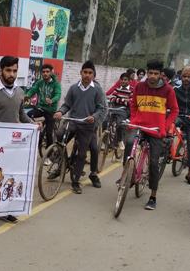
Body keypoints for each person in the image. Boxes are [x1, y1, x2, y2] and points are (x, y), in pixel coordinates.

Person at [0, 55, 33, 225]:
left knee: (10, 177)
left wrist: (33, 124)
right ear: (0, 71)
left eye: (14, 71)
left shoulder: (20, 92)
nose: (12, 74)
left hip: (13, 146)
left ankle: (5, 209)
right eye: (8, 70)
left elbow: (21, 115)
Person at [125, 59, 178, 210]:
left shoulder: (168, 90)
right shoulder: (139, 86)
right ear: (147, 73)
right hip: (139, 125)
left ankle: (153, 196)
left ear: (161, 74)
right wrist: (133, 120)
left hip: (156, 130)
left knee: (154, 163)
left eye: (156, 73)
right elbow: (133, 105)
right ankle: (127, 175)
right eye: (150, 73)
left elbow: (174, 110)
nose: (153, 76)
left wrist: (165, 127)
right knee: (129, 144)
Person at [53, 60, 107, 194]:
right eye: (85, 72)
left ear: (93, 75)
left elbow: (101, 108)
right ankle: (63, 163)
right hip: (73, 122)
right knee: (59, 135)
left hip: (87, 125)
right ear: (81, 73)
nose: (87, 75)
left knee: (83, 153)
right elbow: (67, 105)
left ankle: (77, 180)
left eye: (90, 73)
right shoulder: (73, 88)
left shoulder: (97, 90)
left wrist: (94, 117)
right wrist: (60, 112)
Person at [24, 63, 61, 147]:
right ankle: (36, 132)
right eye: (43, 72)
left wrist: (52, 100)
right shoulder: (40, 82)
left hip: (51, 111)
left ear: (51, 72)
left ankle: (50, 152)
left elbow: (58, 94)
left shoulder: (56, 84)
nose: (45, 73)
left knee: (48, 133)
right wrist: (26, 98)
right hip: (41, 108)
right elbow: (32, 91)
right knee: (28, 114)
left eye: (47, 71)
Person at [106, 72, 133, 146]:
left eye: (125, 80)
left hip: (124, 110)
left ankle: (119, 140)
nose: (123, 81)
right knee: (105, 122)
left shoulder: (132, 90)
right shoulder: (117, 89)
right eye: (122, 79)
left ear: (129, 81)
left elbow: (130, 102)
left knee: (119, 123)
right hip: (114, 109)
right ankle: (105, 141)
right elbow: (112, 99)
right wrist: (124, 100)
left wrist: (118, 99)